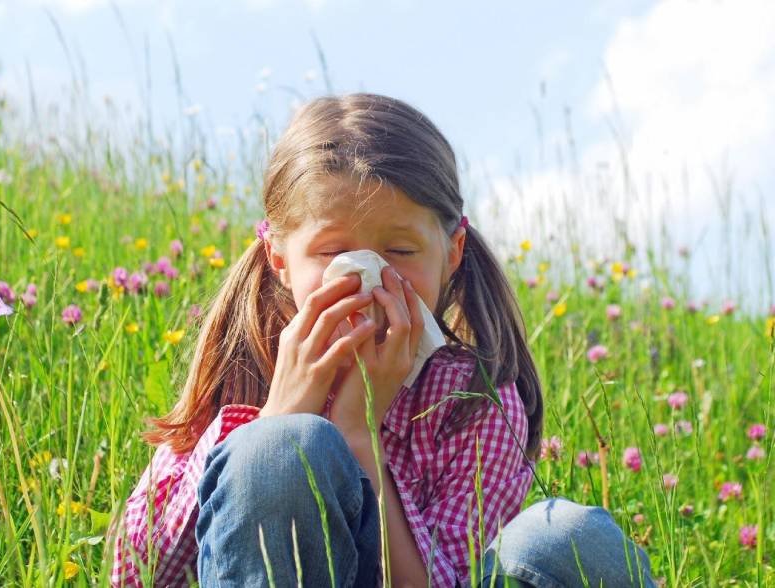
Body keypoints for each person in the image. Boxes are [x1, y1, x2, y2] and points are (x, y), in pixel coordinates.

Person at [108, 93, 655, 587]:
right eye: (331, 253)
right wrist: (278, 415)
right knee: (279, 451)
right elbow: (138, 572)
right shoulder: (245, 369)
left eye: (400, 251)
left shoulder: (472, 400)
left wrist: (357, 432)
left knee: (560, 540)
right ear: (278, 258)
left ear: (453, 252)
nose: (369, 276)